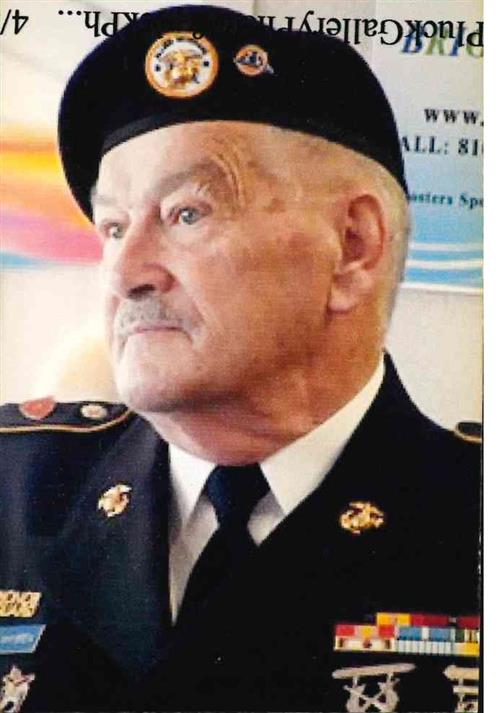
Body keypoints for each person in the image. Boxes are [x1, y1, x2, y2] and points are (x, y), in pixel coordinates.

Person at [0, 5, 480, 712]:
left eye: (186, 214)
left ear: (352, 247)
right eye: (114, 227)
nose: (124, 273)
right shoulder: (14, 488)